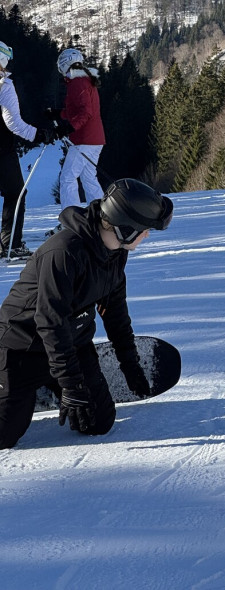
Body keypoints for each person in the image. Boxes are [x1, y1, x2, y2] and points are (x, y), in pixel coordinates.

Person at [0, 178, 173, 449]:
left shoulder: (115, 253)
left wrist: (129, 363)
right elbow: (50, 321)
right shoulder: (64, 252)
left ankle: (43, 385)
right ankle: (22, 388)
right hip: (22, 348)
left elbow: (115, 311)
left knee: (98, 422)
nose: (147, 235)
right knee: (4, 436)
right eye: (144, 229)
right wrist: (70, 384)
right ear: (125, 229)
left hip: (71, 345)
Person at [0, 41, 57, 259]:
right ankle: (11, 245)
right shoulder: (4, 86)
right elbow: (13, 123)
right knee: (15, 193)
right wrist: (39, 134)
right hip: (1, 150)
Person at [49, 47, 106, 209]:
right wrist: (58, 114)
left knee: (67, 177)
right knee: (88, 177)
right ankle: (101, 216)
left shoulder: (77, 82)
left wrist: (68, 128)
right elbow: (78, 110)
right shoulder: (86, 80)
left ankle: (71, 219)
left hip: (84, 139)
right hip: (96, 139)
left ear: (65, 64)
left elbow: (85, 113)